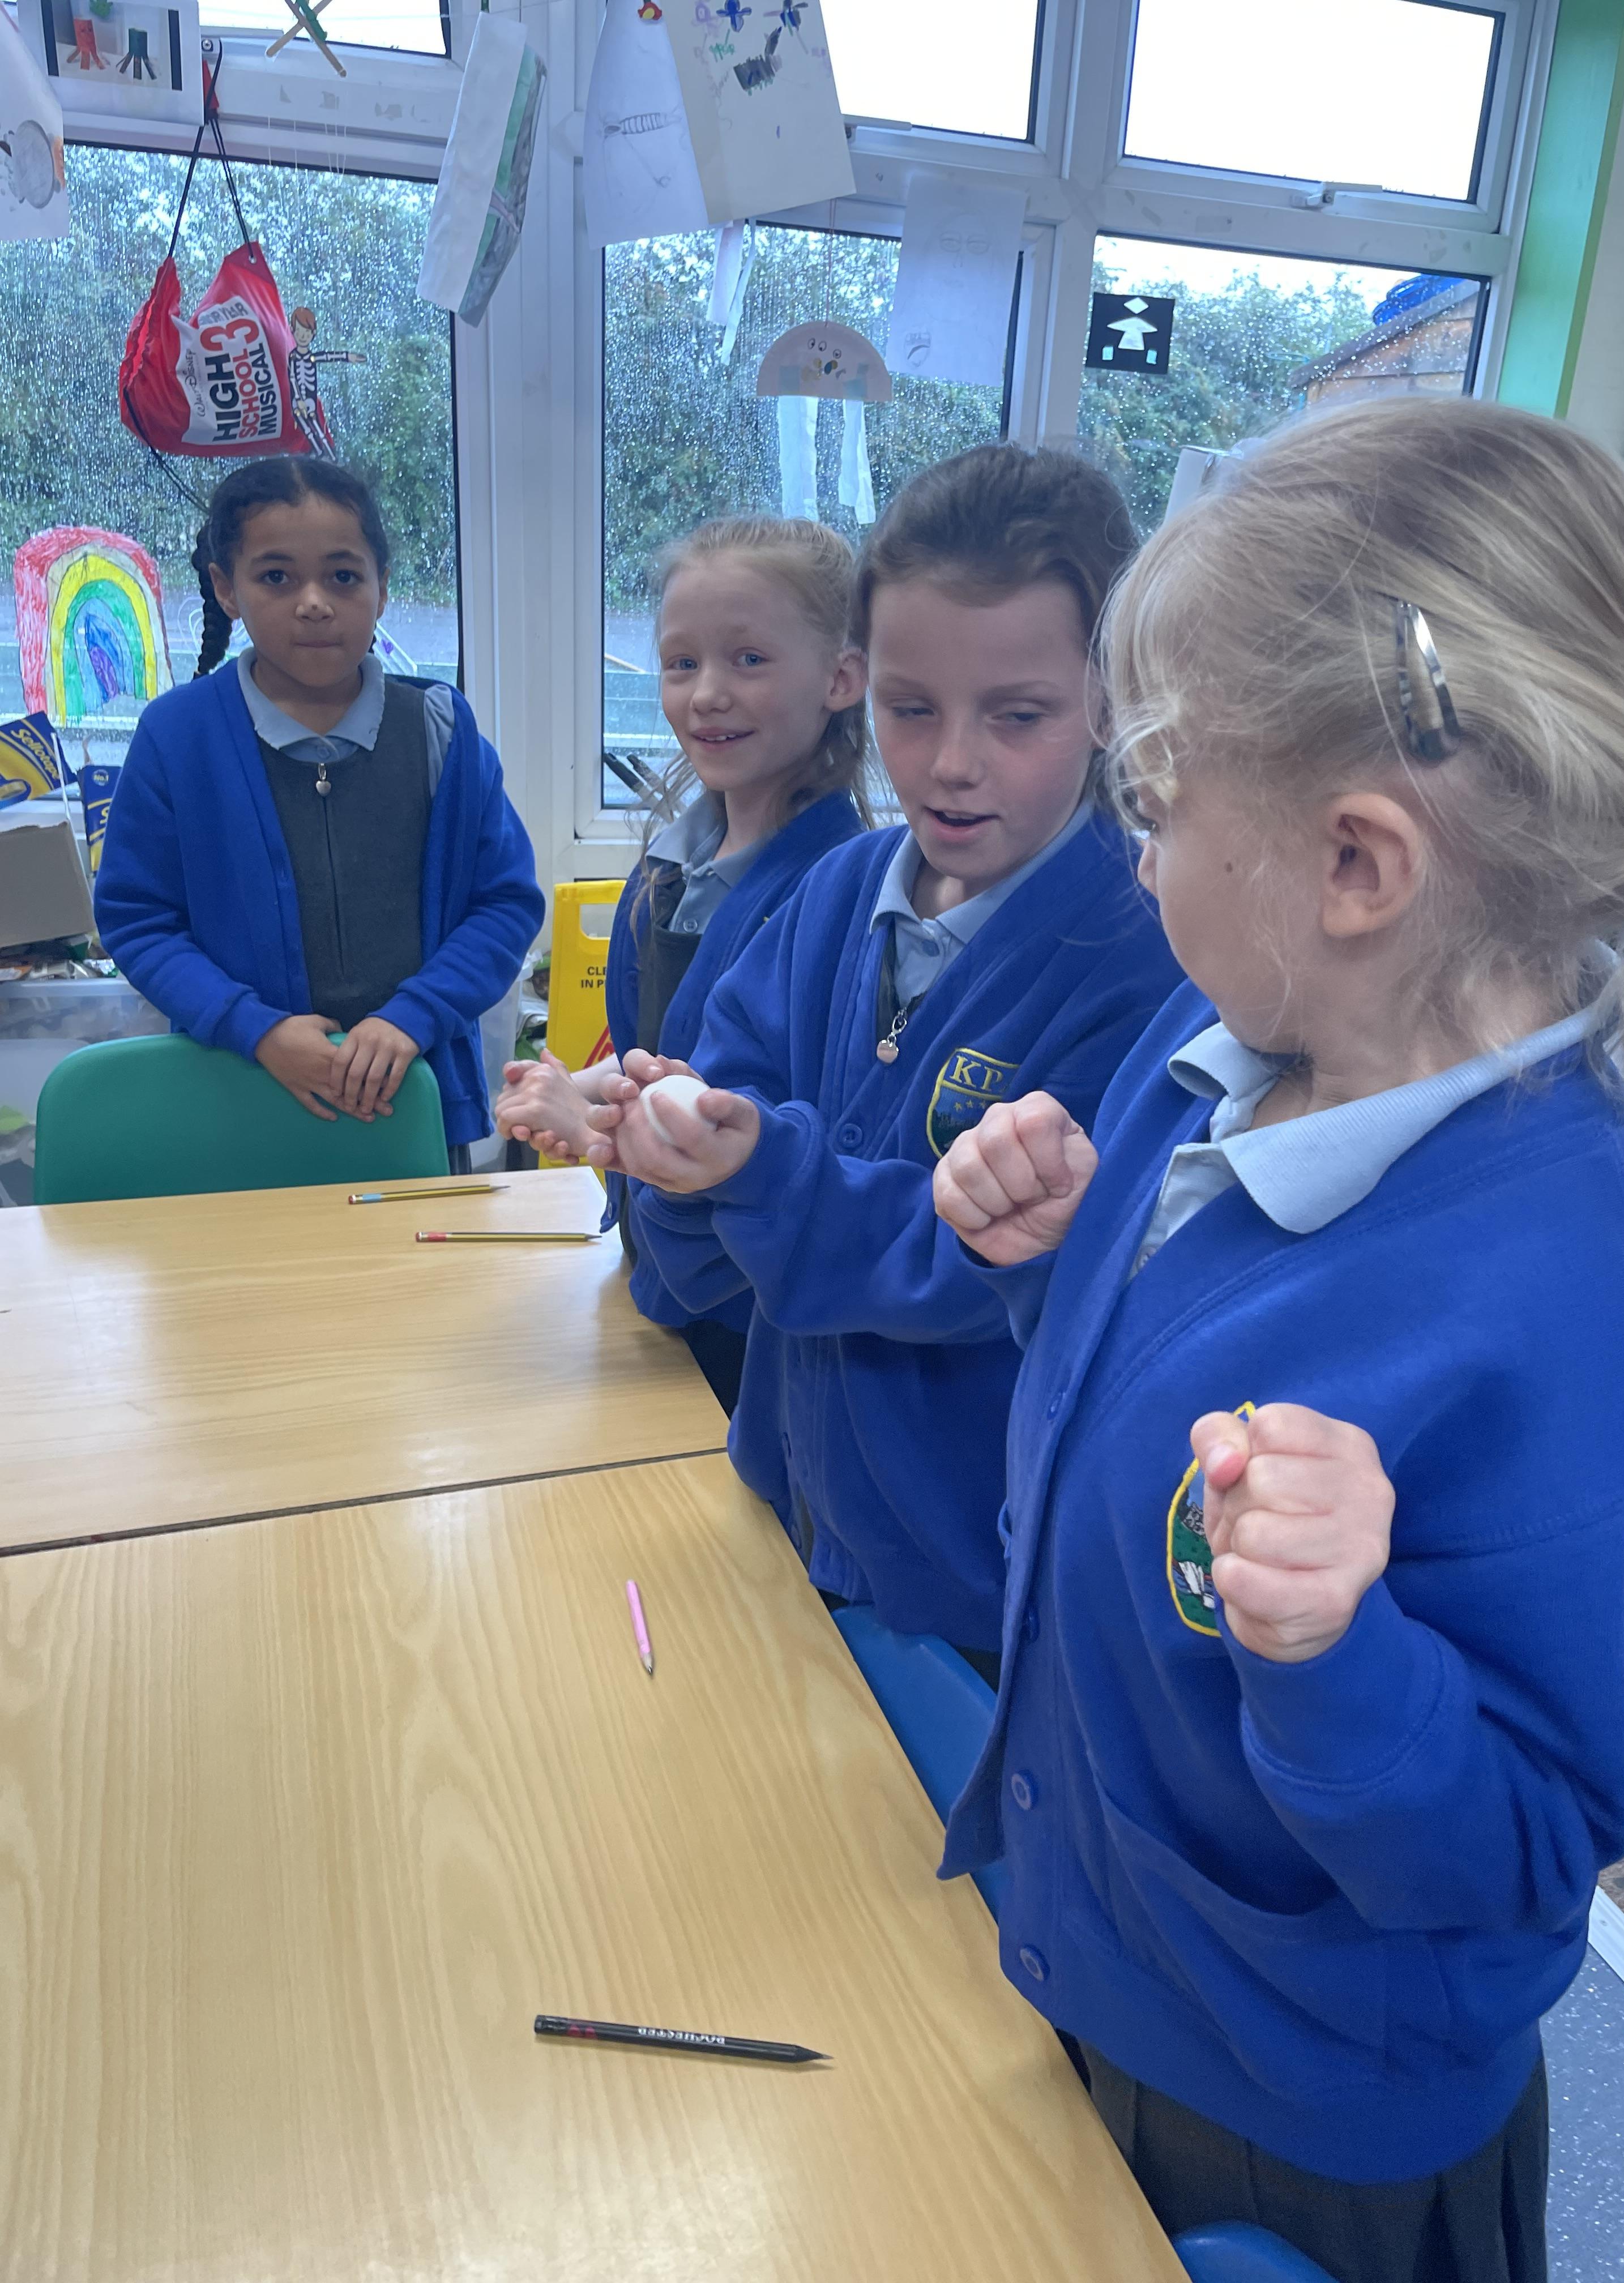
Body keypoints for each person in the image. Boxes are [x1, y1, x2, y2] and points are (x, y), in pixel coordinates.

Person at [930, 396, 1624, 2283]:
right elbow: (1150, 1397)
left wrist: (1333, 1648)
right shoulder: (1205, 1046)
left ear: (1356, 866)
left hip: (1292, 2110)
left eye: (1155, 806)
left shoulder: (1585, 1316)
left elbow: (1518, 1848)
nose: (1135, 862)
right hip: (1101, 1940)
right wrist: (1051, 1264)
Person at [586, 445, 1184, 1668]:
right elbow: (724, 1144)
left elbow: (990, 1267)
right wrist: (673, 1147)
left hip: (973, 1582)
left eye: (1017, 715)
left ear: (1110, 700)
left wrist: (754, 1172)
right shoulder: (836, 892)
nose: (952, 761)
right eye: (911, 709)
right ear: (863, 688)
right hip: (785, 1507)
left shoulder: (1146, 953)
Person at [494, 516, 869, 1414]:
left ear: (841, 678)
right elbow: (661, 1056)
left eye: (749, 660)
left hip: (752, 1323)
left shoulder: (839, 893)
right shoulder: (666, 871)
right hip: (657, 1280)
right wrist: (588, 1091)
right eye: (681, 663)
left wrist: (601, 1129)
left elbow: (776, 1127)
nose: (706, 695)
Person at [95, 459, 542, 1161]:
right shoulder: (177, 736)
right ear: (226, 587)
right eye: (276, 577)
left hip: (411, 1098)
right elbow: (138, 919)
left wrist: (414, 1016)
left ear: (382, 587)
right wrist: (255, 1028)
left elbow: (505, 903)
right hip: (237, 1096)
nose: (314, 603)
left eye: (343, 576)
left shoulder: (440, 731)